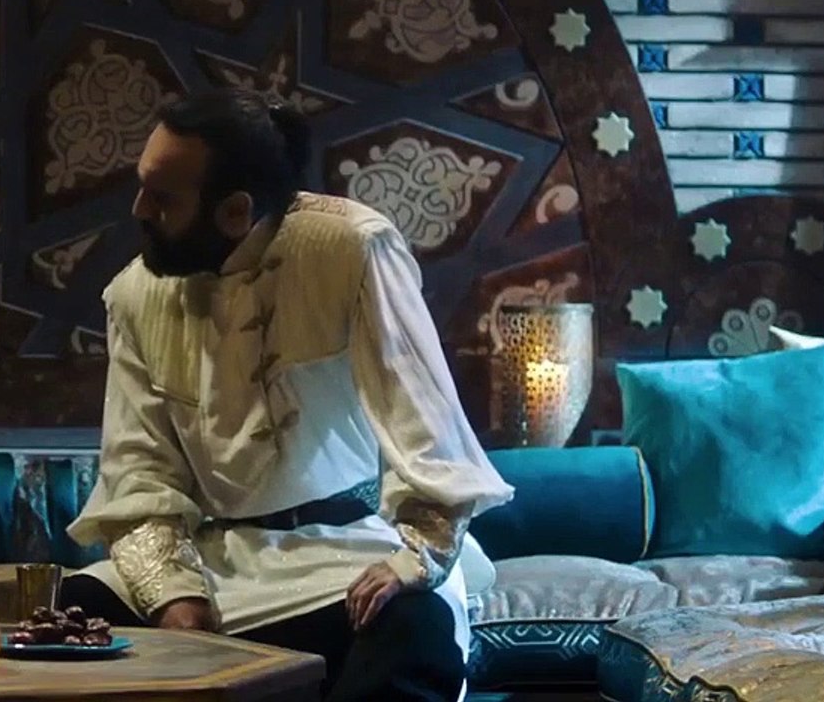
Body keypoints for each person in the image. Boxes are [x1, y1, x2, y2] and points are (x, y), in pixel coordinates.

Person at [59, 88, 515, 702]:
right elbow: (139, 471)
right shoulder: (133, 294)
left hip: (349, 552)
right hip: (215, 564)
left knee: (413, 628)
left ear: (234, 211)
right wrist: (174, 597)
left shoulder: (352, 247)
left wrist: (413, 561)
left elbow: (428, 427)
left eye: (162, 197)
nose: (139, 209)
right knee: (77, 610)